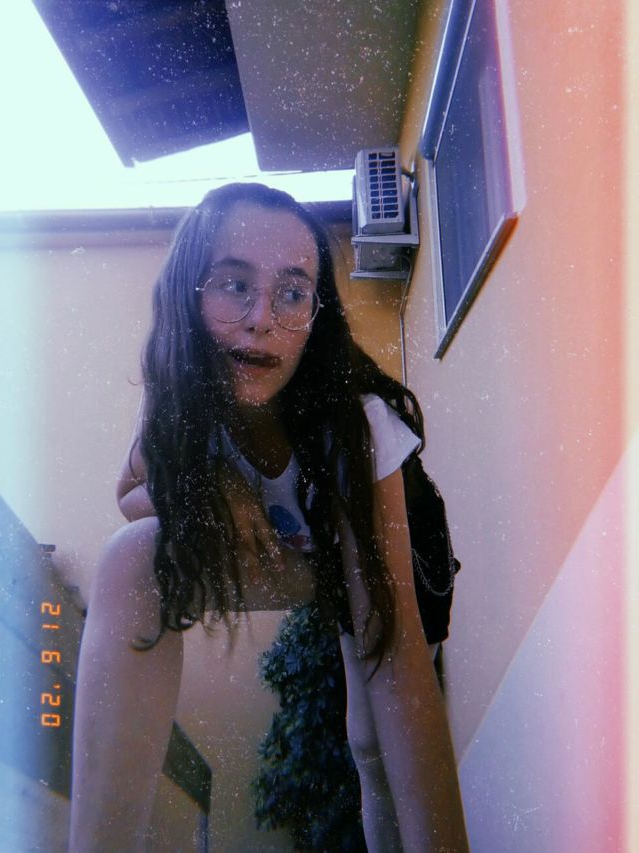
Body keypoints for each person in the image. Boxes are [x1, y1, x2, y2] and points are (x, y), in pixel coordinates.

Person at [69, 182, 469, 852]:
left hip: (393, 554)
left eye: (291, 292)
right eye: (234, 284)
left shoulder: (356, 424)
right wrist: (214, 489)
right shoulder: (181, 400)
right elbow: (130, 491)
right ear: (188, 294)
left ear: (316, 314)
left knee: (371, 737)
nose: (262, 318)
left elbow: (397, 651)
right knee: (133, 555)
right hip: (296, 553)